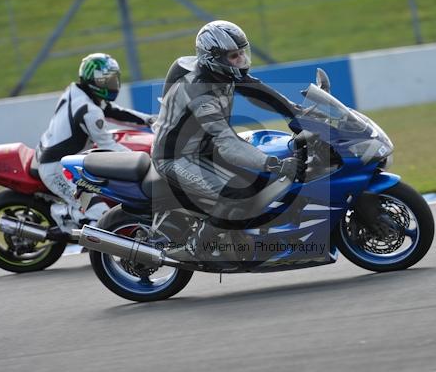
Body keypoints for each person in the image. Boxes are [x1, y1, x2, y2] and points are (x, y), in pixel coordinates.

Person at [151, 20, 305, 262]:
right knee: (236, 194)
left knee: (258, 183)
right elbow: (228, 144)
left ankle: (242, 237)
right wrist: (275, 164)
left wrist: (297, 113)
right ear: (214, 58)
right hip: (176, 157)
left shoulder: (218, 70)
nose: (242, 60)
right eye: (234, 56)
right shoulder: (200, 93)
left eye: (242, 52)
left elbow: (257, 90)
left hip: (204, 147)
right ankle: (196, 248)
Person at [36, 53, 154, 231]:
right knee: (100, 215)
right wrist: (145, 162)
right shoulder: (89, 110)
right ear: (92, 80)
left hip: (57, 156)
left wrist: (150, 120)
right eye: (105, 80)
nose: (112, 84)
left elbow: (115, 111)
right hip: (57, 169)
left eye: (113, 79)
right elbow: (109, 145)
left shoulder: (77, 92)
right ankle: (63, 214)